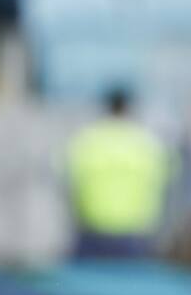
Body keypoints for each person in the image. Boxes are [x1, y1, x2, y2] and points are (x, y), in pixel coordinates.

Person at [66, 87, 170, 258]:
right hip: (136, 234)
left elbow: (70, 184)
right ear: (128, 107)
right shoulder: (147, 143)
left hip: (93, 231)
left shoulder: (86, 140)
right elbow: (165, 186)